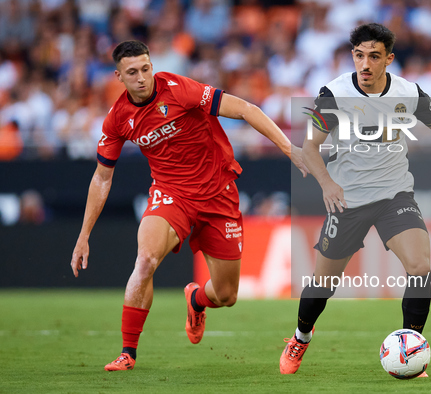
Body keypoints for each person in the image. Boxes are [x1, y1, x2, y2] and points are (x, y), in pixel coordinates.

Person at [70, 40, 308, 371]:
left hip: (218, 193)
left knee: (226, 296)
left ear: (152, 65)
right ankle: (128, 352)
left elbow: (245, 109)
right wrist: (84, 235)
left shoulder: (179, 89)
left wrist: (288, 148)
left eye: (145, 68)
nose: (142, 78)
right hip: (171, 195)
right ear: (119, 77)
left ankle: (196, 299)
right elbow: (101, 178)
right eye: (132, 72)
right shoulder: (117, 119)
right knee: (146, 259)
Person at [279, 23, 431, 376]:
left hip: (394, 195)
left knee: (420, 267)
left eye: (374, 57)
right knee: (323, 284)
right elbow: (311, 147)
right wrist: (327, 183)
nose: (365, 64)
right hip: (347, 199)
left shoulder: (409, 93)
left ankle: (410, 348)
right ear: (353, 57)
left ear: (388, 59)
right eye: (359, 55)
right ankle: (300, 337)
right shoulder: (334, 94)